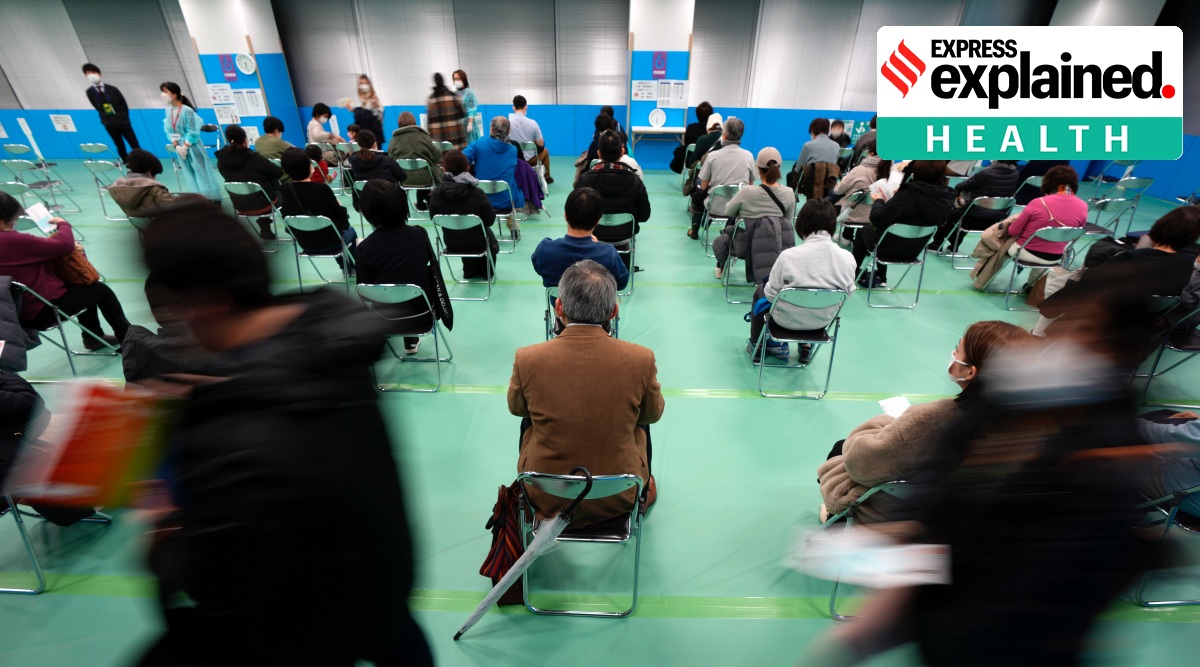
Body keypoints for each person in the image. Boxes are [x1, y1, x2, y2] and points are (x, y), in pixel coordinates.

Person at [133, 200, 431, 665]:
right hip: (377, 597)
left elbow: (219, 583)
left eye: (173, 311)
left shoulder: (234, 437)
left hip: (302, 630)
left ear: (205, 304)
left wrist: (163, 525)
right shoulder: (332, 348)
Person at [816, 321, 1032, 522]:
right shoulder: (1027, 428)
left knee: (841, 447)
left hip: (897, 515)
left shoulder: (935, 419)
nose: (953, 354)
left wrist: (885, 423)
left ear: (970, 371)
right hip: (963, 519)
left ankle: (839, 517)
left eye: (957, 349)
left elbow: (861, 465)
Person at [508, 259, 664, 528]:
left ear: (559, 307)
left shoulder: (528, 358)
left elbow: (517, 408)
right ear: (614, 311)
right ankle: (643, 488)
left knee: (530, 418)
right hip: (618, 494)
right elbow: (654, 413)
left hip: (545, 493)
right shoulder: (641, 359)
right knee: (640, 417)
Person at [1034, 206, 1200, 337]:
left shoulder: (1130, 258)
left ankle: (1038, 333)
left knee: (1074, 279)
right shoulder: (1186, 264)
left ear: (1161, 225)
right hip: (1141, 327)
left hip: (1102, 321)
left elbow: (1088, 285)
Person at [0, 192, 131, 349]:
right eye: (13, 222)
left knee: (81, 288)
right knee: (101, 290)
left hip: (10, 314)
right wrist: (63, 224)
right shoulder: (11, 240)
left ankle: (93, 337)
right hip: (40, 311)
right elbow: (65, 244)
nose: (14, 226)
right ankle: (129, 339)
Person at [748, 199, 856, 362]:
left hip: (784, 322)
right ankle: (806, 346)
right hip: (821, 323)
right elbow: (846, 295)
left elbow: (771, 295)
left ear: (802, 225)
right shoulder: (848, 258)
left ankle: (757, 346)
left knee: (760, 290)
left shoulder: (788, 256)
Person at [355, 180, 442, 354]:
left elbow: (365, 293)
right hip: (424, 314)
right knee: (411, 282)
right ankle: (410, 340)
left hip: (385, 317)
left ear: (366, 211)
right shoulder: (419, 234)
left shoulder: (364, 248)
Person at [854, 160, 955, 287]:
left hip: (887, 248)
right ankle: (882, 277)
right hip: (915, 250)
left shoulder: (907, 195)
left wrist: (879, 201)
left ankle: (854, 272)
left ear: (916, 172)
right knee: (887, 231)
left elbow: (876, 218)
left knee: (865, 230)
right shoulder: (945, 199)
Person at [712, 146, 795, 281]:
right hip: (777, 247)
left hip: (743, 247)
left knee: (729, 228)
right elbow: (787, 220)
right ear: (779, 167)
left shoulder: (747, 192)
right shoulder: (789, 193)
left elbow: (728, 211)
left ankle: (720, 268)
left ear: (758, 169)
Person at [576, 130, 650, 270]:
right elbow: (644, 215)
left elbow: (576, 213)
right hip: (624, 233)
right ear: (622, 152)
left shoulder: (585, 180)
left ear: (599, 154)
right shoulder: (635, 181)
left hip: (594, 233)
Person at [531, 187, 629, 291]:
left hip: (559, 305)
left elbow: (539, 268)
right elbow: (622, 283)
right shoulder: (609, 255)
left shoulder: (545, 250)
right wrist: (599, 247)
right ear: (597, 221)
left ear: (565, 216)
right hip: (598, 306)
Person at [277, 147, 356, 269]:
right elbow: (341, 218)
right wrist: (340, 206)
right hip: (332, 241)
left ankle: (344, 267)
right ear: (310, 166)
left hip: (305, 242)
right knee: (350, 231)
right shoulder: (322, 189)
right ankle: (351, 267)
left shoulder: (284, 190)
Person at [429, 149, 499, 280]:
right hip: (479, 242)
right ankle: (486, 272)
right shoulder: (477, 193)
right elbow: (490, 220)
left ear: (445, 169)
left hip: (452, 243)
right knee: (486, 235)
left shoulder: (437, 194)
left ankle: (469, 271)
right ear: (467, 167)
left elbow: (434, 219)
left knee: (463, 233)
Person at [997, 165, 1087, 265]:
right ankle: (1036, 280)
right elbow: (1074, 235)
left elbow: (1013, 231)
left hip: (1025, 251)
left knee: (996, 242)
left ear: (1047, 181)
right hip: (1055, 257)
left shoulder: (1038, 202)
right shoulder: (1083, 206)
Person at [689, 117, 757, 239]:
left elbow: (704, 186)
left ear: (724, 135)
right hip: (739, 206)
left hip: (715, 205)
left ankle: (694, 229)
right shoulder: (749, 157)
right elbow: (750, 186)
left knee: (697, 189)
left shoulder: (712, 156)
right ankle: (729, 228)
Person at [933, 160, 1022, 252]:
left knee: (950, 214)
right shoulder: (1015, 174)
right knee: (963, 212)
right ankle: (953, 245)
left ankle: (936, 244)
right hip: (996, 220)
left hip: (971, 218)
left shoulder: (986, 173)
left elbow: (960, 186)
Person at [214, 124, 285, 241]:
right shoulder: (254, 157)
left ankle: (265, 227)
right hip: (264, 205)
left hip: (240, 206)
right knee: (282, 193)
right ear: (245, 140)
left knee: (256, 191)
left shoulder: (221, 159)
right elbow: (278, 173)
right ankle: (289, 227)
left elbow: (224, 175)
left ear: (227, 139)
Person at [161, 82, 220, 202]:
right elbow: (168, 129)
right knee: (189, 173)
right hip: (179, 147)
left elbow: (193, 131)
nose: (162, 94)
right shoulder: (168, 111)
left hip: (193, 146)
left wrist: (186, 146)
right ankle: (199, 199)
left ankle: (213, 199)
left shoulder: (187, 111)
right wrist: (176, 145)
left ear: (174, 94)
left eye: (165, 91)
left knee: (203, 173)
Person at [463, 117, 524, 212]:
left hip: (482, 199)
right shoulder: (513, 149)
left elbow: (460, 160)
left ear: (491, 129)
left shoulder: (477, 144)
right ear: (509, 131)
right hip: (507, 200)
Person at [386, 111, 444, 209]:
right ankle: (428, 201)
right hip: (425, 177)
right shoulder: (424, 137)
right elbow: (436, 156)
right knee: (426, 168)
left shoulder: (393, 140)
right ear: (414, 121)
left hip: (403, 179)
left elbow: (390, 160)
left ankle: (411, 206)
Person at [82, 64, 139, 163]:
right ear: (86, 76)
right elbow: (97, 107)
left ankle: (140, 161)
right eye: (88, 73)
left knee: (134, 143)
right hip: (109, 123)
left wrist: (124, 117)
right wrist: (106, 119)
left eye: (94, 72)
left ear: (99, 74)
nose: (92, 75)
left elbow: (123, 104)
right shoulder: (89, 92)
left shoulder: (112, 89)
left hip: (123, 121)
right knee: (119, 144)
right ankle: (126, 162)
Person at [832, 137, 889, 232]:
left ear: (870, 153)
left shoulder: (858, 170)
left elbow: (838, 190)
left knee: (834, 194)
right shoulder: (893, 173)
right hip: (878, 217)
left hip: (851, 214)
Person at [347, 130, 406, 211]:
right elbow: (402, 176)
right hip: (388, 202)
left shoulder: (354, 161)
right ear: (375, 143)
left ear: (359, 145)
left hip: (364, 203)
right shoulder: (387, 160)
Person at [109, 149, 174, 218]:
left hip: (136, 221)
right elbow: (173, 208)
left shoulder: (116, 187)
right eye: (155, 174)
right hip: (157, 222)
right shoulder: (154, 188)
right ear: (149, 171)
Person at [509, 95, 553, 184]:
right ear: (526, 107)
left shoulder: (507, 123)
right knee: (545, 151)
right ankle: (547, 177)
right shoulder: (533, 123)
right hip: (530, 159)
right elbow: (541, 144)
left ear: (513, 108)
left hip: (514, 158)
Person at [426, 73, 467, 149]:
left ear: (435, 82)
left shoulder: (431, 99)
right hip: (455, 139)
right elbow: (462, 113)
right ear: (443, 80)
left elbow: (429, 122)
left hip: (440, 142)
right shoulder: (452, 95)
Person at [344, 74, 384, 139]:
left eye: (365, 83)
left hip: (373, 135)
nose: (363, 86)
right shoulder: (362, 100)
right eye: (361, 84)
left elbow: (379, 117)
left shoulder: (374, 99)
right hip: (364, 134)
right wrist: (351, 109)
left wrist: (377, 107)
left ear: (369, 84)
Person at [453, 69, 483, 144]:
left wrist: (470, 124)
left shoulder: (469, 93)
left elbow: (471, 109)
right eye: (454, 79)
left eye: (457, 79)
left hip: (468, 124)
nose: (456, 81)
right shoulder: (455, 93)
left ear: (463, 79)